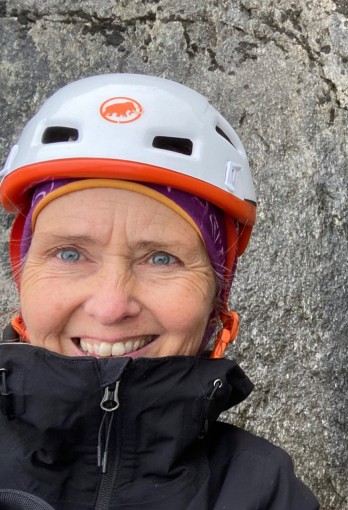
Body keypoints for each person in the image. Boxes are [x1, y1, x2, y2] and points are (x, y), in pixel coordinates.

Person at [0, 74, 319, 509]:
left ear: (216, 300)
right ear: (22, 276)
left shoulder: (262, 492)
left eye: (161, 259)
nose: (111, 307)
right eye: (70, 254)